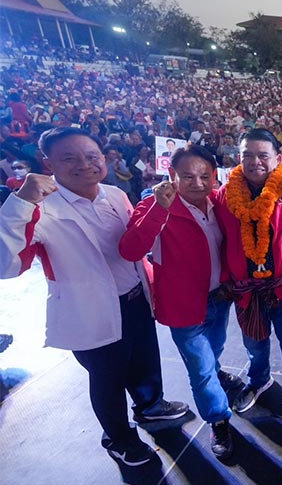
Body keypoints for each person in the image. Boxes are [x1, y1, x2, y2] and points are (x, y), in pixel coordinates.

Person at [0, 127, 188, 466]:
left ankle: (151, 406)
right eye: (69, 158)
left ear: (103, 158)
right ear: (48, 163)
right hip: (89, 311)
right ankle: (119, 439)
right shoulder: (39, 209)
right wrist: (20, 203)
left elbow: (134, 243)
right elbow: (6, 265)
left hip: (134, 299)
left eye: (91, 156)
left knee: (145, 362)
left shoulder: (114, 194)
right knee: (107, 380)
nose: (84, 165)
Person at [119, 145, 242, 460]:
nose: (197, 183)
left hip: (219, 298)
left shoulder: (219, 202)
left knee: (213, 352)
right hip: (183, 307)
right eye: (188, 176)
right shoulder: (154, 205)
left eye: (205, 176)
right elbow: (131, 250)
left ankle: (217, 372)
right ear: (171, 175)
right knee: (200, 370)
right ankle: (218, 420)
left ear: (214, 176)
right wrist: (159, 209)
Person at [212, 87, 282, 416]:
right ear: (239, 158)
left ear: (278, 160)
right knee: (254, 345)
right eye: (247, 155)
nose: (254, 161)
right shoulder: (225, 196)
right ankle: (258, 381)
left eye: (262, 155)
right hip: (247, 290)